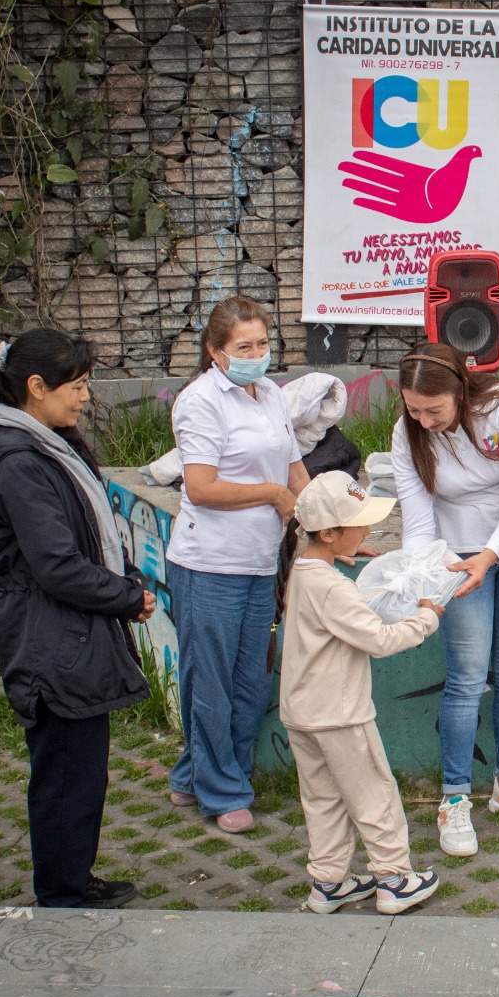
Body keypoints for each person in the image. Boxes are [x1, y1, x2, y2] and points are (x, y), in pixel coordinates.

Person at [0, 330, 156, 909]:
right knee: (66, 773)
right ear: (36, 388)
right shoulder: (21, 463)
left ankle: (72, 876)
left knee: (80, 769)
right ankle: (63, 893)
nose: (85, 397)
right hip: (52, 638)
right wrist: (125, 597)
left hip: (66, 632)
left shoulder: (41, 444)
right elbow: (56, 565)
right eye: (76, 386)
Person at [389, 343, 499, 857]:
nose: (423, 420)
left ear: (460, 390)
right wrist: (422, 577)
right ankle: (454, 798)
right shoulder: (408, 433)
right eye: (414, 410)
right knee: (466, 675)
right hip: (456, 555)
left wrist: (491, 555)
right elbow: (418, 518)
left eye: (433, 410)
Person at [166, 297, 309, 834]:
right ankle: (223, 789)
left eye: (263, 344)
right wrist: (272, 494)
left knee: (251, 676)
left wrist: (333, 515)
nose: (256, 355)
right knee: (212, 680)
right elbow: (200, 488)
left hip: (257, 561)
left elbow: (294, 469)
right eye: (243, 347)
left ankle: (194, 774)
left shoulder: (270, 393)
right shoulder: (199, 402)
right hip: (209, 563)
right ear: (215, 352)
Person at [275, 470, 443, 915]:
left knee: (323, 799)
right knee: (374, 795)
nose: (368, 531)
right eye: (359, 525)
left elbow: (336, 607)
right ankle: (394, 878)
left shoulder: (305, 572)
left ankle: (327, 883)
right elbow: (381, 640)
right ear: (329, 533)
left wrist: (345, 567)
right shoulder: (332, 588)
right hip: (341, 714)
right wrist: (427, 616)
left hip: (302, 713)